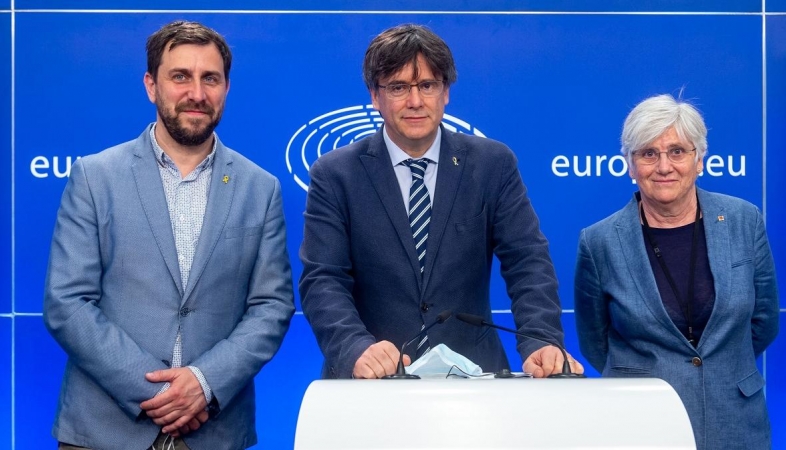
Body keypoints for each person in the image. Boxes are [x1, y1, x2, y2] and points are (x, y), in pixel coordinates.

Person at [43, 20, 294, 450]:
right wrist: (159, 393)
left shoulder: (261, 187)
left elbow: (271, 305)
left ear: (226, 88)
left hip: (214, 432)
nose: (196, 93)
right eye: (180, 76)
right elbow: (67, 302)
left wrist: (203, 382)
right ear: (151, 85)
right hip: (102, 432)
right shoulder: (95, 176)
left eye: (209, 78)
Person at [299, 23, 582, 379]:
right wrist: (355, 347)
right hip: (374, 381)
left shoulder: (492, 164)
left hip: (474, 378)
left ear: (445, 92)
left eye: (428, 86)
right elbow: (323, 278)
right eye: (398, 87)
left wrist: (541, 340)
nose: (415, 101)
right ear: (375, 96)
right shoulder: (335, 174)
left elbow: (528, 261)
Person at [574, 94, 779, 449]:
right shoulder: (599, 241)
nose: (664, 166)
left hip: (735, 422)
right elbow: (595, 342)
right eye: (648, 153)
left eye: (677, 151)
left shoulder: (744, 220)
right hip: (642, 426)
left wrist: (722, 368)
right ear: (630, 165)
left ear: (700, 160)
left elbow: (764, 322)